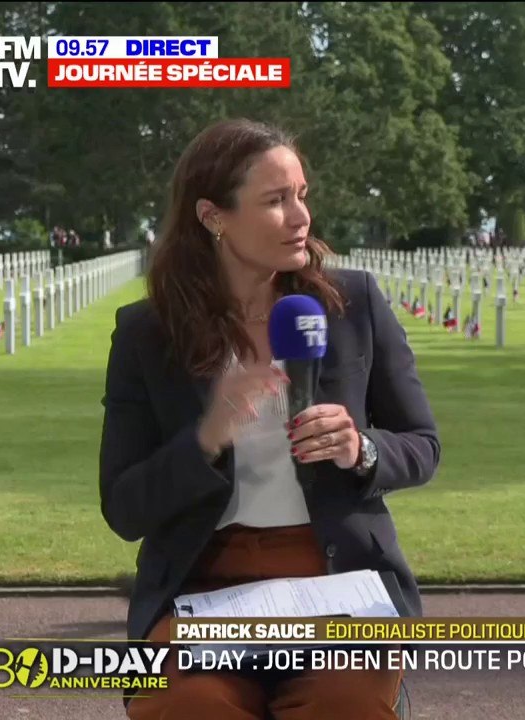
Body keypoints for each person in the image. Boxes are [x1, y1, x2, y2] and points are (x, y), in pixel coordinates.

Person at [99, 118, 440, 719]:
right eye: (276, 200)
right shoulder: (147, 335)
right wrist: (206, 437)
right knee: (191, 707)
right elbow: (124, 507)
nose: (300, 216)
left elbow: (422, 445)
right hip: (205, 587)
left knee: (345, 705)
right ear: (213, 217)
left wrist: (359, 448)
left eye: (301, 195)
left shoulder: (352, 303)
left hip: (338, 581)